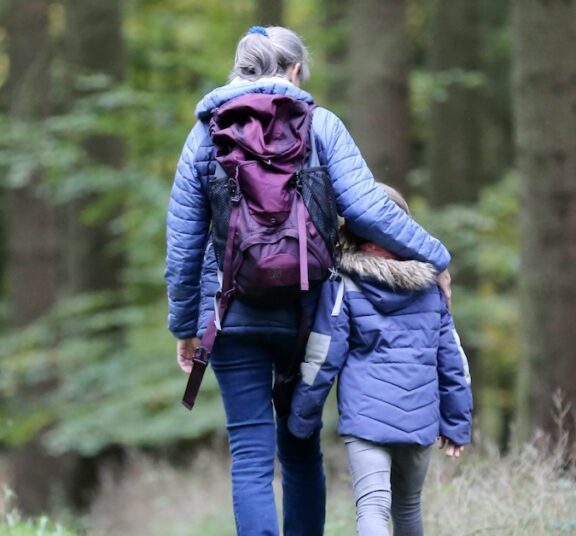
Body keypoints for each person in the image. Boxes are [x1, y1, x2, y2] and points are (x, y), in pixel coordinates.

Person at [165, 26, 453, 535]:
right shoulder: (322, 126)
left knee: (250, 451)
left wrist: (185, 325)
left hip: (231, 311)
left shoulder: (206, 133)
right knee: (299, 445)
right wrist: (436, 255)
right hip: (307, 312)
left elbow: (184, 242)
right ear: (295, 69)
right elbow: (368, 210)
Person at [288, 185, 473, 536]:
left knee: (372, 506)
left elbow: (323, 355)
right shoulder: (431, 287)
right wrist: (457, 422)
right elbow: (453, 361)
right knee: (408, 506)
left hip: (366, 420)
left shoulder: (343, 284)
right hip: (420, 419)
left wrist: (302, 415)